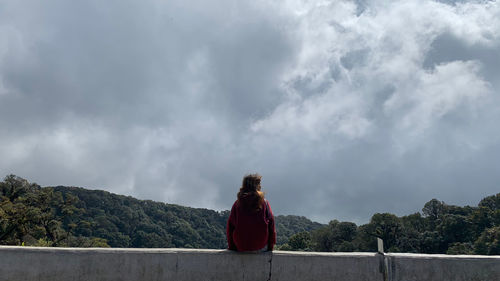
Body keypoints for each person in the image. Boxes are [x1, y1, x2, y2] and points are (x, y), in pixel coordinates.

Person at [226, 173, 276, 252]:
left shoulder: (237, 204)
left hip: (240, 247)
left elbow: (230, 227)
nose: (260, 186)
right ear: (256, 186)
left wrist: (232, 247)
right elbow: (271, 225)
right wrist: (270, 247)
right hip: (260, 247)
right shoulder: (264, 203)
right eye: (259, 184)